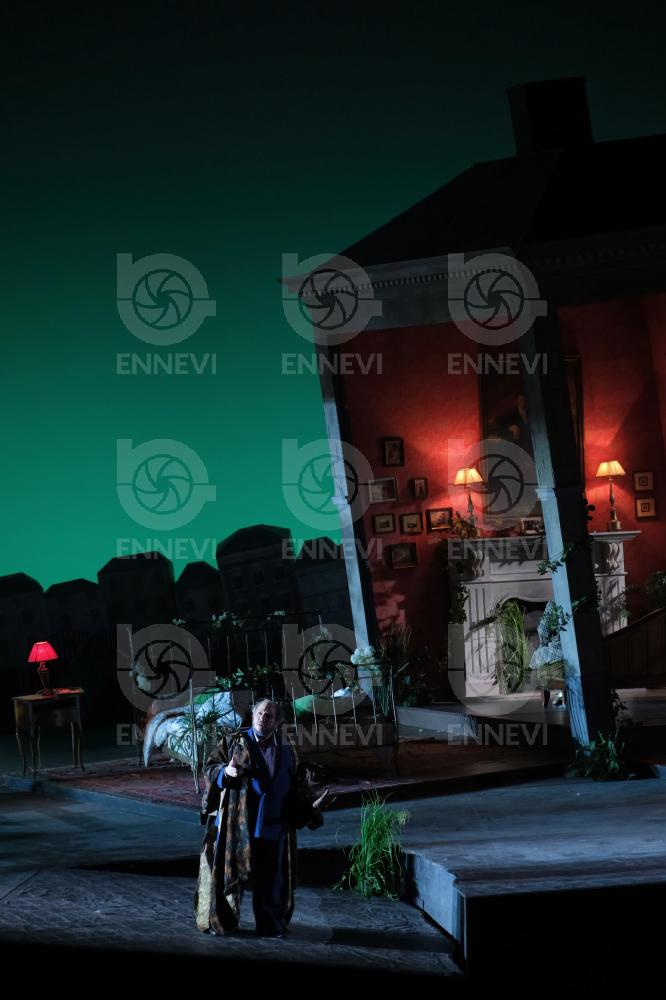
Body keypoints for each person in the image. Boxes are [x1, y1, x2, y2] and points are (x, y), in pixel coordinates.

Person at [194, 698, 327, 938]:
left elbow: (292, 785)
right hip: (238, 824)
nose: (263, 718)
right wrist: (226, 772)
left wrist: (308, 807)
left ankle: (271, 926)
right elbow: (210, 767)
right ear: (253, 715)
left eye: (269, 715)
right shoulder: (234, 741)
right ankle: (221, 922)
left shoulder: (287, 748)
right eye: (259, 713)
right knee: (228, 876)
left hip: (273, 825)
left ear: (277, 722)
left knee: (273, 880)